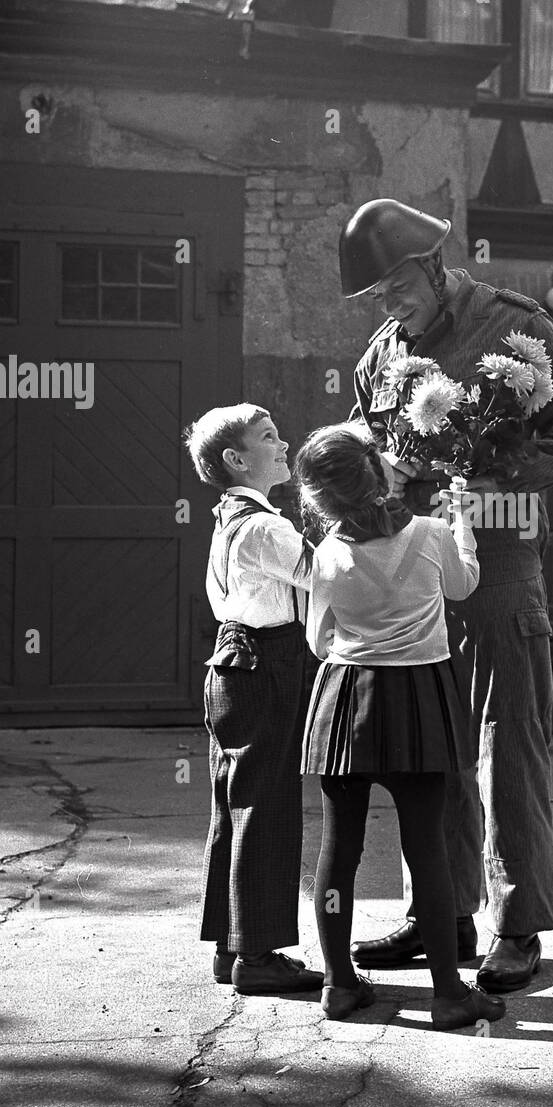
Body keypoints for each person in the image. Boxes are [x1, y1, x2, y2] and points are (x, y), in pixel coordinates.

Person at [339, 199, 553, 992]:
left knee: (506, 745)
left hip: (497, 563)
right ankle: (441, 913)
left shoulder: (512, 326)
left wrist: (496, 478)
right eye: (376, 299)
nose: (390, 309)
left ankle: (517, 927)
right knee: (428, 751)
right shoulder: (382, 356)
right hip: (417, 574)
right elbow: (367, 451)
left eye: (396, 289)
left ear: (428, 264)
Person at [295, 423, 507, 1031]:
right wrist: (463, 522)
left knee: (339, 851)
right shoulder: (433, 534)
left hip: (346, 703)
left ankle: (338, 986)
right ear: (382, 475)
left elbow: (317, 642)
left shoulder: (327, 556)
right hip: (421, 700)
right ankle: (448, 995)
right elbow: (464, 586)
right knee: (428, 850)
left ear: (318, 499)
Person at [184, 403, 323, 996]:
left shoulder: (231, 520)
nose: (284, 443)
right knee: (267, 807)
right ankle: (258, 957)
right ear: (237, 460)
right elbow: (326, 575)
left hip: (234, 664)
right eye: (269, 438)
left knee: (237, 806)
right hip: (266, 664)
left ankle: (232, 945)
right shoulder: (264, 527)